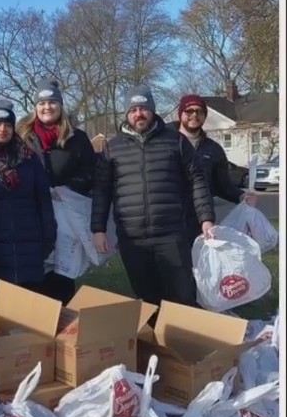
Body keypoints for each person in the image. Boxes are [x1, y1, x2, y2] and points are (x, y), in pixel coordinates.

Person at [91, 84, 214, 309]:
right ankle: (154, 333)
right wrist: (98, 229)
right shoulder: (112, 148)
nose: (139, 114)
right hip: (132, 240)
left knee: (182, 298)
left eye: (143, 108)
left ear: (153, 110)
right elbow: (101, 190)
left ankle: (181, 333)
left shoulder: (176, 141)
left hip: (171, 236)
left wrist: (206, 218)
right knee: (147, 302)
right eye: (133, 109)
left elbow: (197, 181)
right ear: (126, 114)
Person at [16, 79, 97, 304]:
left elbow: (92, 173)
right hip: (33, 219)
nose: (47, 107)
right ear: (35, 107)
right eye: (42, 103)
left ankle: (63, 321)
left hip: (66, 220)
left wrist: (68, 187)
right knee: (34, 279)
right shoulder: (22, 137)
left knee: (62, 279)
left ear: (60, 105)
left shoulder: (77, 138)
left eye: (52, 102)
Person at [0, 100, 57, 303]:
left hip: (30, 245)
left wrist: (49, 235)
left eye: (8, 125)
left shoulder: (29, 158)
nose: (3, 129)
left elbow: (43, 200)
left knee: (31, 306)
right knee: (1, 307)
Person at [173, 94, 256, 250]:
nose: (194, 115)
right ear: (180, 114)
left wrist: (242, 196)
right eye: (189, 111)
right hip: (170, 221)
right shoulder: (166, 143)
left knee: (200, 263)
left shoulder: (213, 149)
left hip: (201, 221)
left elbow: (223, 185)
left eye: (199, 111)